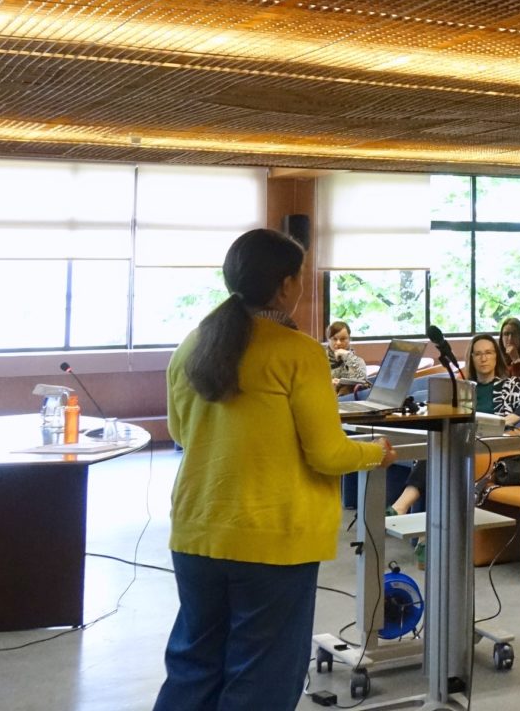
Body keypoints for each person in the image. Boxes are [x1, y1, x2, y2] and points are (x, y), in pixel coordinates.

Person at [153, 229, 397, 711]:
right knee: (261, 680)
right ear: (286, 285)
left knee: (194, 668)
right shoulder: (298, 352)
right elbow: (327, 454)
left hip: (197, 534)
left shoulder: (193, 345)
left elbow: (180, 432)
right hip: (273, 539)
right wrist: (375, 453)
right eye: (300, 278)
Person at [391, 334, 520, 517]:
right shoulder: (462, 387)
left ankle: (401, 507)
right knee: (434, 450)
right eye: (478, 354)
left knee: (438, 451)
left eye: (488, 353)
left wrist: (506, 420)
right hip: (460, 441)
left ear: (496, 356)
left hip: (489, 446)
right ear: (471, 358)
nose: (483, 358)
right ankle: (414, 522)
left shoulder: (510, 385)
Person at [323, 321, 369, 390]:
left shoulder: (357, 360)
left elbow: (361, 381)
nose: (338, 343)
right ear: (328, 340)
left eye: (343, 339)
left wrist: (347, 355)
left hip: (348, 395)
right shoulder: (320, 358)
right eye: (334, 339)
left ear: (349, 339)